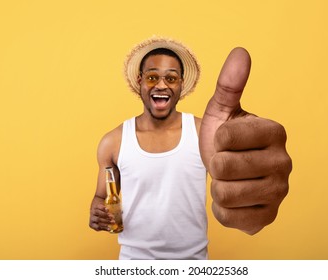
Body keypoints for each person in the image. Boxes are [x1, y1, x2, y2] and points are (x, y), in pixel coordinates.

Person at [89, 36, 292, 259]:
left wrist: (256, 191)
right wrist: (98, 211)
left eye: (171, 78)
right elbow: (102, 197)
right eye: (152, 77)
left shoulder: (202, 132)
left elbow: (238, 179)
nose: (162, 85)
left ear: (181, 84)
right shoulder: (113, 142)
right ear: (140, 81)